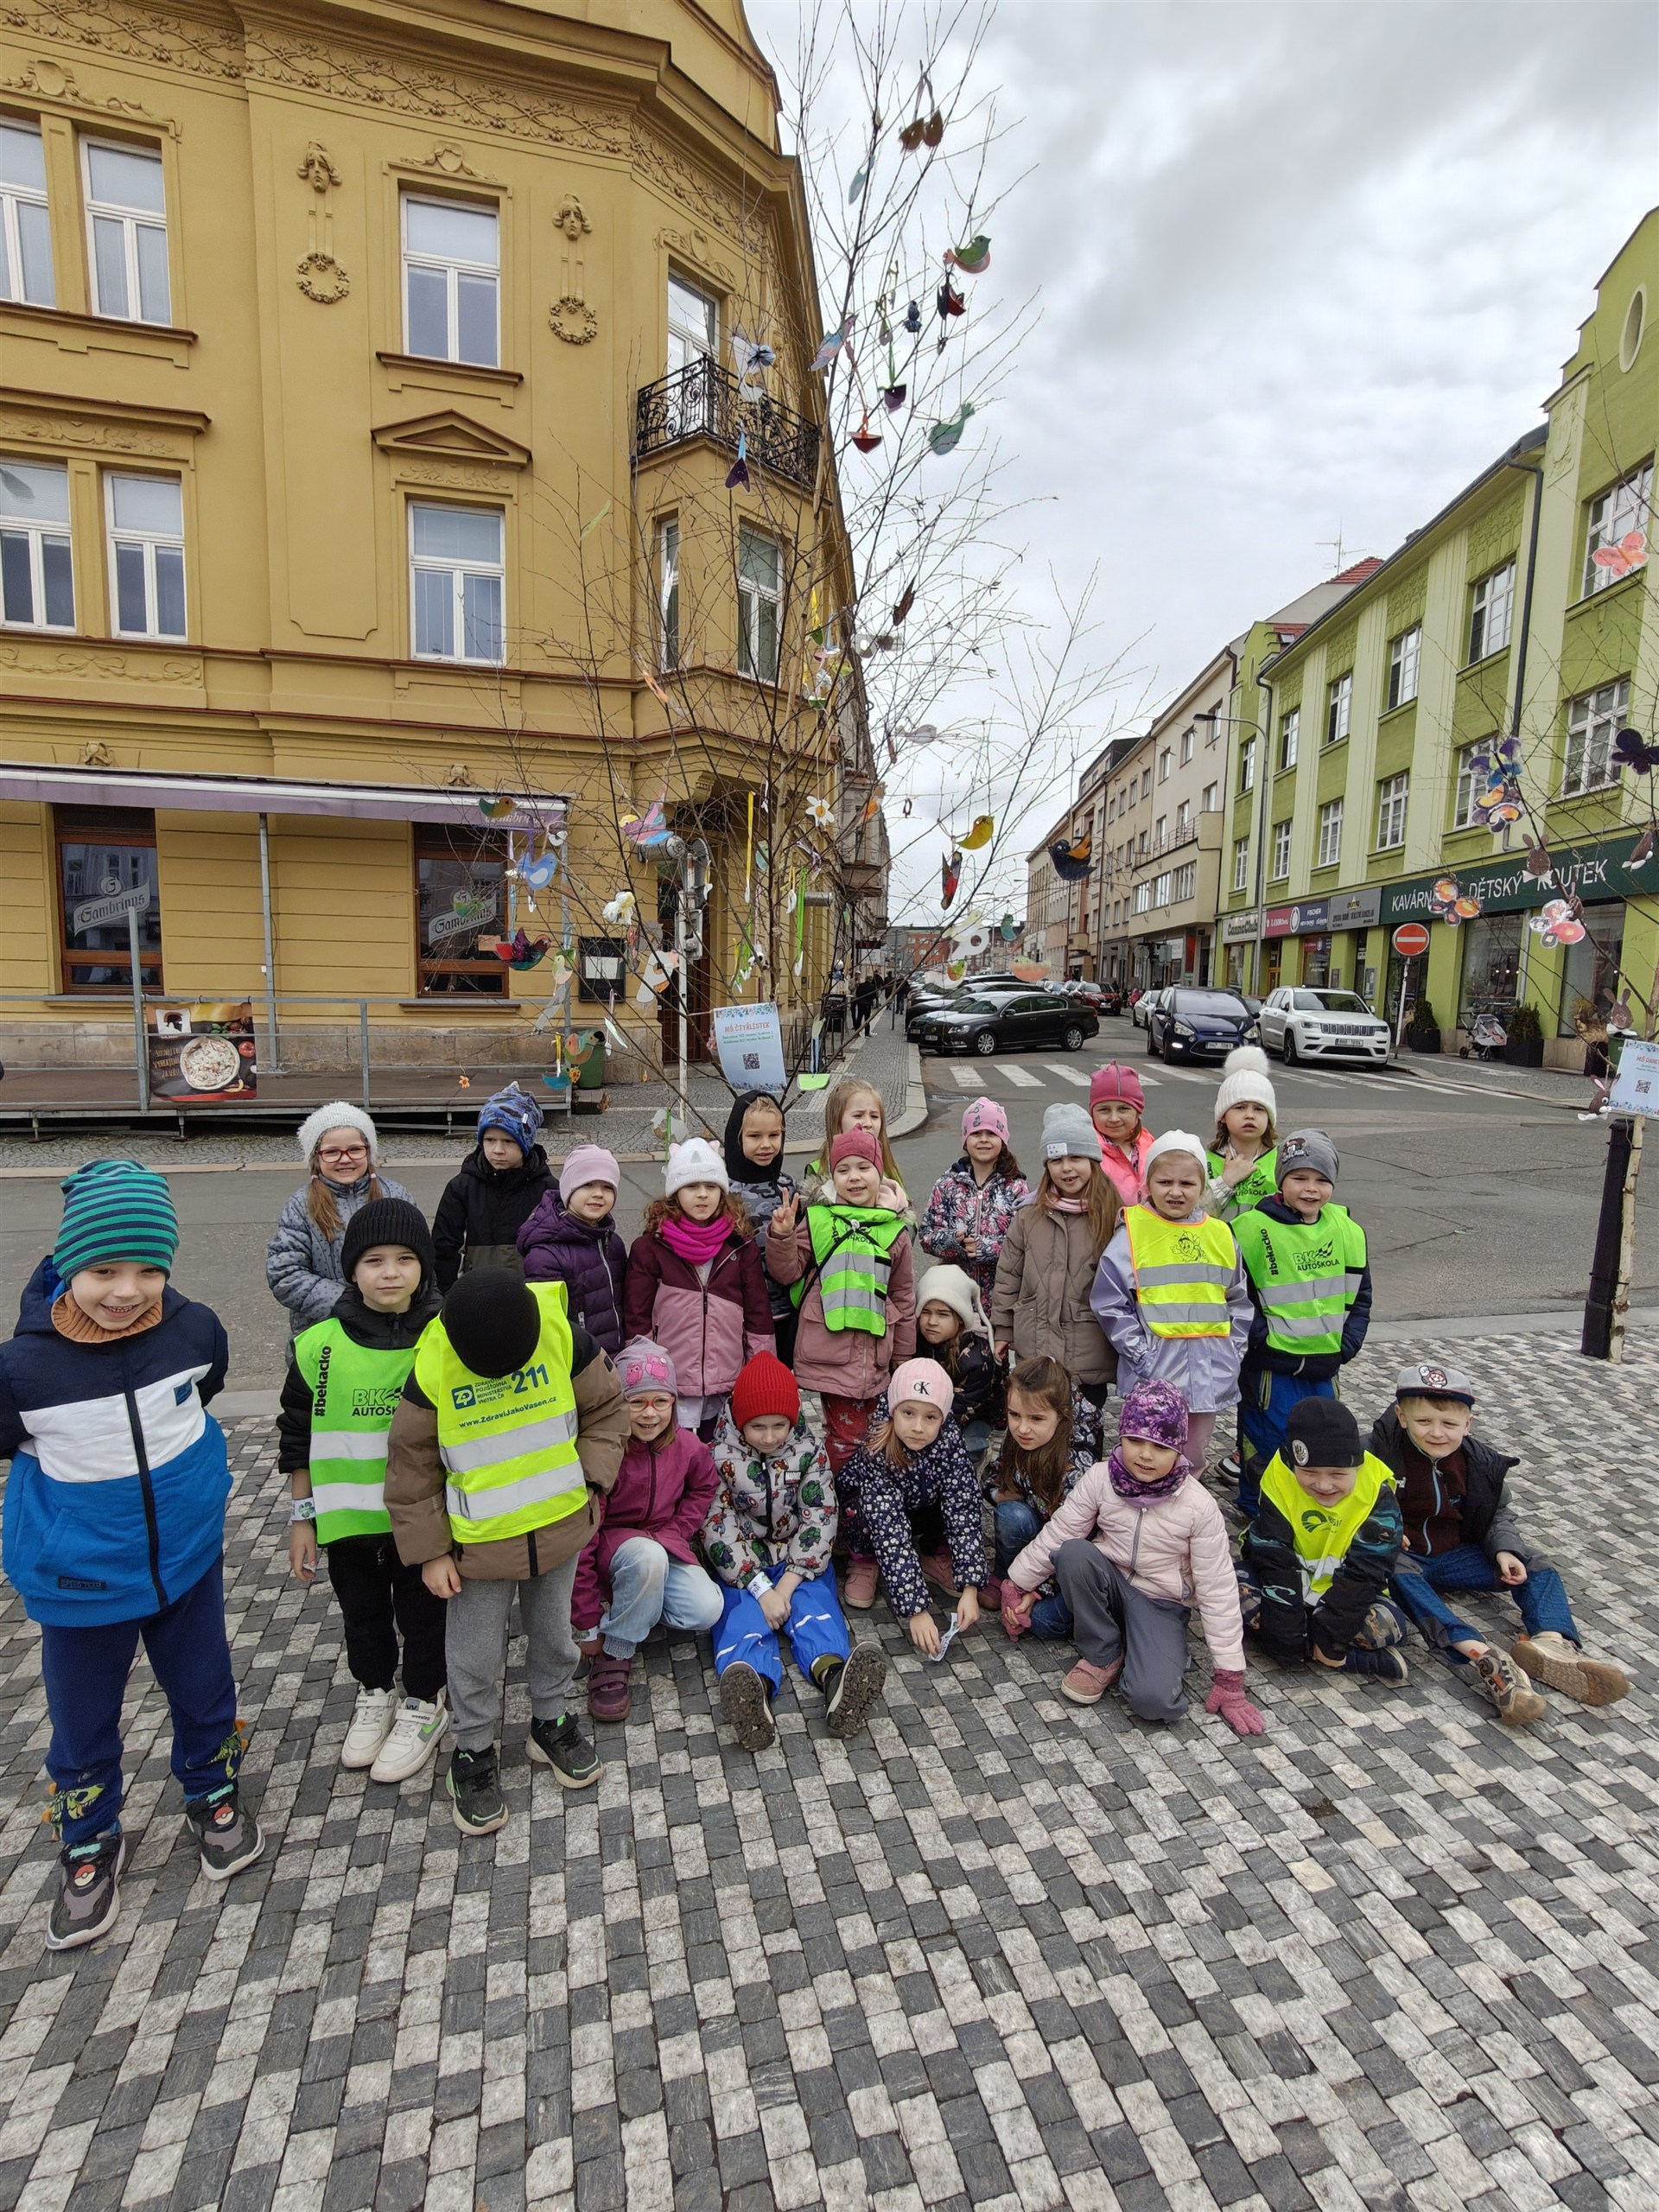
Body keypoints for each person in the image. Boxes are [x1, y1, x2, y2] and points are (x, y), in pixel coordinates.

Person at [1, 1162, 262, 1950]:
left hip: (184, 1556)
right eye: (105, 1270)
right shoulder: (21, 1370)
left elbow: (204, 1386)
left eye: (150, 1269)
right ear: (67, 1264)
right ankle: (88, 1836)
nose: (128, 1290)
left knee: (204, 1682)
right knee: (82, 1716)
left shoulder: (193, 1328)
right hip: (80, 1577)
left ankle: (211, 1789)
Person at [385, 1269, 629, 1835]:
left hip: (559, 1528)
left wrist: (593, 1482)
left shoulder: (563, 1336)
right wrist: (430, 1553)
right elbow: (410, 1469)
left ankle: (550, 1721)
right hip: (476, 1548)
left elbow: (606, 1409)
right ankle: (472, 1751)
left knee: (553, 1634)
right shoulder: (433, 1366)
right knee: (472, 1654)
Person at [278, 1197, 450, 1782]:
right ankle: (375, 1690)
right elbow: (297, 1436)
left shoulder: (445, 1337)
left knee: (426, 1617)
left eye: (406, 1259)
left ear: (424, 1267)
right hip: (348, 1523)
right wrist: (304, 1518)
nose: (390, 1272)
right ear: (351, 1269)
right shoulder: (317, 1346)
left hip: (426, 1522)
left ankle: (426, 1700)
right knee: (364, 1618)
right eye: (374, 1259)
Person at [1371, 1361, 1630, 1725]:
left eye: (1449, 1424)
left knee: (1535, 1562)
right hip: (1405, 1559)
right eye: (1424, 1421)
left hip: (1457, 1556)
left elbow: (1497, 1513)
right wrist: (1383, 1527)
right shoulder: (1372, 1454)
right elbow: (1344, 1502)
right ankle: (1482, 1654)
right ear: (1401, 1417)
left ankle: (1550, 1643)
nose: (1437, 1433)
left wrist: (1504, 1550)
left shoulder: (1479, 1463)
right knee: (1392, 1568)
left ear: (1467, 1424)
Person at [1001, 1378, 1262, 1736]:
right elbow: (1060, 1532)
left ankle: (1151, 1648)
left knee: (1152, 1701)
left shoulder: (1199, 1506)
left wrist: (1230, 1677)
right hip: (1107, 1584)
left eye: (1159, 1445)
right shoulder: (1100, 1478)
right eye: (1135, 1440)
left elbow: (1217, 1589)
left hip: (1160, 1602)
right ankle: (1104, 1652)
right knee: (1073, 1554)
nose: (1145, 1455)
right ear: (1121, 1437)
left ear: (1178, 1447)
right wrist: (1016, 1583)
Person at [703, 1351, 887, 1750]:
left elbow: (820, 1516)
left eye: (779, 1426)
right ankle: (753, 1693)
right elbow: (718, 1527)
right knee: (741, 1616)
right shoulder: (718, 1457)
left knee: (815, 1607)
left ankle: (835, 1679)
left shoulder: (809, 1451)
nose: (769, 1437)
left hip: (796, 1561)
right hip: (744, 1564)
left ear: (793, 1419)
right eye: (758, 1427)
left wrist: (785, 1586)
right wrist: (759, 1589)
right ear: (739, 1421)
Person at [572, 1340, 726, 1724]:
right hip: (613, 1547)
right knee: (647, 1557)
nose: (649, 1414)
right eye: (636, 1401)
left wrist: (678, 1528)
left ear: (674, 1403)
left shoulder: (688, 1447)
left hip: (660, 1543)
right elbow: (582, 1538)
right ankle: (616, 1653)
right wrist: (586, 1622)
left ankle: (634, 1605)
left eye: (661, 1401)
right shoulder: (606, 1452)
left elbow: (705, 1487)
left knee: (708, 1608)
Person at [1090, 1129, 1251, 1470]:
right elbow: (1110, 1302)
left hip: (1209, 1372)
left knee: (1192, 1455)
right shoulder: (1133, 1233)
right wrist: (1142, 1356)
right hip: (1154, 1372)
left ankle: (1185, 1518)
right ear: (1148, 1183)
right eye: (1165, 1182)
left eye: (1187, 1184)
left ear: (1203, 1186)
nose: (1175, 1192)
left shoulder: (1220, 1234)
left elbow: (1238, 1299)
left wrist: (1233, 1352)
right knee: (1146, 1457)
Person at [1232, 1131, 1372, 1518]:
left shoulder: (1347, 1230)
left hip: (1324, 1366)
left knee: (1319, 1444)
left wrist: (1347, 1346)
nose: (1311, 1189)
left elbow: (1360, 1296)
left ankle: (1308, 1511)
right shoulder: (1251, 1229)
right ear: (1281, 1180)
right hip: (1271, 1369)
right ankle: (1260, 1512)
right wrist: (1263, 1342)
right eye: (1299, 1178)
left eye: (1322, 1180)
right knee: (1266, 1440)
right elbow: (1235, 1298)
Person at [765, 1128, 916, 1473]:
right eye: (843, 1169)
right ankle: (847, 1506)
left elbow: (903, 1295)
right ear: (832, 1176)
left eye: (863, 1167)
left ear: (880, 1173)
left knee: (874, 1434)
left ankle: (862, 1499)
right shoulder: (818, 1219)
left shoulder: (895, 1229)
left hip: (875, 1354)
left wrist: (904, 1355)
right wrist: (784, 1235)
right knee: (845, 1438)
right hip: (829, 1353)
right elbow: (788, 1272)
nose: (854, 1177)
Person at [1236, 1397, 1408, 1684]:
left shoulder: (1377, 1491)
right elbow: (1271, 1553)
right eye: (1309, 1473)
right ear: (1293, 1463)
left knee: (1390, 1624)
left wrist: (1332, 1633)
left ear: (1358, 1465)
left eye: (1338, 1474)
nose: (1324, 1485)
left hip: (1345, 1592)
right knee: (1229, 1586)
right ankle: (1339, 1657)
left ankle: (1331, 1652)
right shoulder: (1278, 1476)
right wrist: (1285, 1628)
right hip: (1288, 1584)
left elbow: (1368, 1570)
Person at [622, 1139, 774, 1436]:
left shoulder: (739, 1246)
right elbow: (637, 1317)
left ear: (723, 1192)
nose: (703, 1194)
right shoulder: (650, 1248)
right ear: (675, 1193)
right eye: (692, 1187)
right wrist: (644, 1376)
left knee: (717, 1452)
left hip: (726, 1376)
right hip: (670, 1379)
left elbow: (758, 1313)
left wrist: (760, 1366)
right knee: (674, 1456)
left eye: (711, 1186)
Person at [838, 1360, 986, 1650]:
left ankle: (932, 1553)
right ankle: (865, 1560)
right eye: (908, 1413)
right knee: (868, 1514)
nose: (918, 1427)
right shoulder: (878, 1448)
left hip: (917, 1505)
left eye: (931, 1417)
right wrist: (916, 1610)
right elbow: (889, 1529)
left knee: (958, 1497)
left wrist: (971, 1587)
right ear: (894, 1410)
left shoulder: (950, 1443)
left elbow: (963, 1508)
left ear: (943, 1419)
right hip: (866, 1514)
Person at [991, 1103, 1118, 1406]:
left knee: (1084, 1432)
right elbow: (1009, 1274)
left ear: (1093, 1160)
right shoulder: (1029, 1214)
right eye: (1057, 1159)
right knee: (1036, 1427)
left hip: (1086, 1351)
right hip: (1035, 1343)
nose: (1067, 1168)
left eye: (1076, 1157)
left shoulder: (1113, 1214)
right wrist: (1003, 1328)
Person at [267, 1103, 416, 1334]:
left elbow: (420, 1258)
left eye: (355, 1149)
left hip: (392, 1325)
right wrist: (346, 1303)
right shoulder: (300, 1205)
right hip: (326, 1330)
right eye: (332, 1152)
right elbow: (285, 1273)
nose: (345, 1159)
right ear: (316, 1158)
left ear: (369, 1151)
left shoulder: (396, 1195)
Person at [988, 1355, 1103, 1638]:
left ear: (1062, 1415)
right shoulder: (1019, 1440)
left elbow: (1070, 1543)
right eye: (1014, 1415)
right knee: (1011, 1515)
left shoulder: (1077, 1467)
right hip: (1034, 1537)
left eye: (1036, 1418)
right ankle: (1005, 1576)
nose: (1022, 1428)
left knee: (1043, 1622)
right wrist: (999, 1493)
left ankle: (1024, 1590)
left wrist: (1034, 1590)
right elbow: (992, 1478)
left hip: (1065, 1562)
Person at [432, 1084, 553, 1289]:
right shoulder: (461, 1188)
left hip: (531, 1294)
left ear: (526, 1143)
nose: (498, 1150)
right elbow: (444, 1249)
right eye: (490, 1140)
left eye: (509, 1141)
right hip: (473, 1294)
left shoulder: (547, 1189)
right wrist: (447, 1297)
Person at [516, 1146, 628, 1357]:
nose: (598, 1194)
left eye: (607, 1187)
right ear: (569, 1189)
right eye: (587, 1184)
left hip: (614, 1358)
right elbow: (547, 1326)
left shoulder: (612, 1243)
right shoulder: (546, 1255)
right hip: (576, 1363)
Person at [919, 1097, 1030, 1309]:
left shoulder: (1016, 1187)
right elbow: (926, 1235)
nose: (984, 1140)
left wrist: (986, 1248)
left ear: (1003, 1139)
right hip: (955, 1297)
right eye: (976, 1134)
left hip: (1002, 1297)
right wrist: (954, 1242)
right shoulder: (947, 1184)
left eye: (992, 1134)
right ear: (965, 1139)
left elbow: (1025, 1243)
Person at [722, 1091, 803, 1363]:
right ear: (737, 1138)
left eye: (774, 1135)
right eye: (755, 1136)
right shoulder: (722, 1190)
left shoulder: (788, 1187)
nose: (766, 1145)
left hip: (783, 1311)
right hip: (738, 1314)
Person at [913, 1263, 1003, 1447]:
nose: (932, 1322)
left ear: (961, 1318)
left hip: (970, 1419)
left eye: (943, 1314)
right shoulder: (914, 1344)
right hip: (924, 1415)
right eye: (925, 1312)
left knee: (966, 1446)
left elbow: (962, 1412)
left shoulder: (978, 1358)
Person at [804, 1077, 910, 1214]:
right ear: (837, 1121)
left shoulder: (890, 1170)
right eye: (858, 1115)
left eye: (874, 1116)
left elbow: (907, 1217)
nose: (868, 1123)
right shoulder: (818, 1171)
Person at [1203, 1046, 1280, 1224]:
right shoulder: (1204, 1161)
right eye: (1240, 1107)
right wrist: (1226, 1181)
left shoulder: (1281, 1161)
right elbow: (1192, 1215)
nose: (1250, 1115)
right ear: (1223, 1116)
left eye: (1260, 1109)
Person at [1089, 1065, 1154, 1210]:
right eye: (1104, 1110)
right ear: (1092, 1113)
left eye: (1123, 1109)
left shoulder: (1150, 1144)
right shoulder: (1088, 1152)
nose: (1114, 1118)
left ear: (1138, 1112)